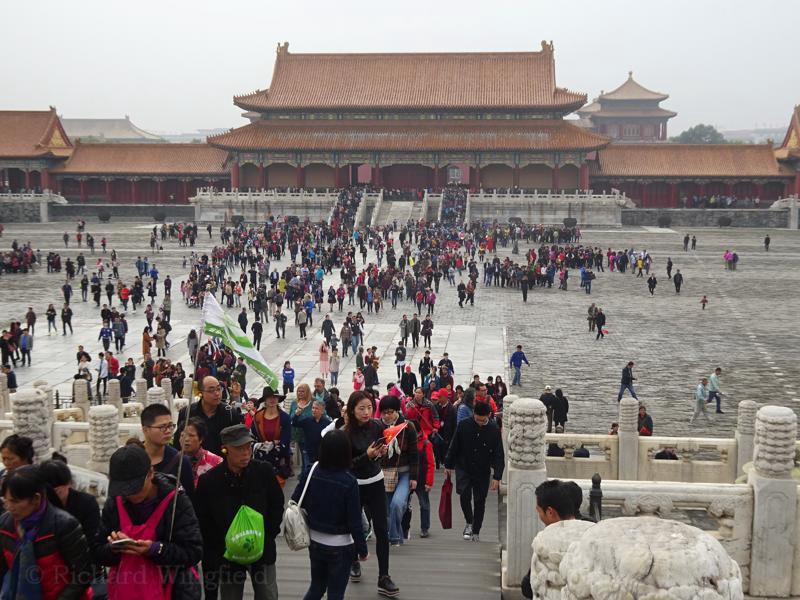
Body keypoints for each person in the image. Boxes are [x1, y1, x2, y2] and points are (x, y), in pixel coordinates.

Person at [97, 445, 203, 599]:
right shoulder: (116, 501)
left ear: (151, 473)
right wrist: (112, 548)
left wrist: (156, 549)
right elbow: (97, 551)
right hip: (127, 589)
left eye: (135, 488)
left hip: (171, 590)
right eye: (124, 489)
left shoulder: (175, 502)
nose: (131, 495)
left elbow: (193, 551)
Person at [194, 424, 285, 600]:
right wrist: (222, 546)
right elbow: (204, 519)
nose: (245, 453)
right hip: (228, 554)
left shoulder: (263, 471)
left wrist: (268, 534)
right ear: (225, 449)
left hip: (261, 547)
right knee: (230, 595)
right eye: (239, 448)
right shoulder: (209, 481)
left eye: (248, 447)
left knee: (268, 594)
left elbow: (276, 503)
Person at [291, 430, 368, 600]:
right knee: (335, 593)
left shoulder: (313, 470)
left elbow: (296, 499)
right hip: (340, 545)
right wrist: (362, 550)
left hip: (315, 540)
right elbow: (354, 521)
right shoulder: (349, 482)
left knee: (316, 587)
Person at [0, 466, 94, 600]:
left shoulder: (64, 525)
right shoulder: (5, 525)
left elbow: (83, 575)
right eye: (6, 501)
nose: (9, 507)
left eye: (15, 501)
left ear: (36, 499)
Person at [342, 391, 399, 597]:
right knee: (352, 526)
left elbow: (378, 453)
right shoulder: (345, 433)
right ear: (352, 409)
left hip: (375, 481)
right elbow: (346, 465)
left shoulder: (377, 426)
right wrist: (367, 455)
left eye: (368, 407)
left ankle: (384, 576)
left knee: (382, 529)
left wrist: (380, 453)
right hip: (354, 485)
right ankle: (354, 561)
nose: (366, 412)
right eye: (361, 408)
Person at [445, 401, 504, 543]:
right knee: (464, 494)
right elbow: (454, 445)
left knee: (479, 500)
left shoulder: (494, 429)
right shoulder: (464, 425)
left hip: (482, 470)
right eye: (477, 419)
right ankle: (469, 522)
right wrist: (448, 464)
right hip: (464, 466)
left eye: (483, 420)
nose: (479, 422)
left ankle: (476, 530)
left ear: (489, 416)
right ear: (473, 414)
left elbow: (498, 454)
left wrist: (497, 476)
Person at [379, 395, 418, 547]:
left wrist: (414, 477)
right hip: (386, 472)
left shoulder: (408, 427)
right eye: (384, 413)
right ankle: (397, 537)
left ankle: (394, 537)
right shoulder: (379, 427)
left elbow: (414, 454)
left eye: (390, 412)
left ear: (397, 411)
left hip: (405, 472)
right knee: (388, 508)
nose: (387, 416)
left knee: (397, 503)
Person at [174, 375, 243, 455]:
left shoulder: (230, 413)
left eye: (218, 389)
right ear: (201, 393)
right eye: (211, 390)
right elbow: (178, 443)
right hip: (194, 463)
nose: (217, 393)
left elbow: (238, 443)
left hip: (222, 463)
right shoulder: (187, 413)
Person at [140, 404, 195, 497]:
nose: (168, 431)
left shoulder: (181, 461)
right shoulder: (130, 458)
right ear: (145, 430)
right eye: (162, 427)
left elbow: (189, 499)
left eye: (170, 426)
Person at [251, 387, 293, 486]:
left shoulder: (285, 418)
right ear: (264, 399)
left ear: (278, 399)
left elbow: (286, 441)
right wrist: (259, 446)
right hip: (260, 460)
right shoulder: (257, 416)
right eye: (269, 397)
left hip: (278, 461)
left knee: (276, 493)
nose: (272, 399)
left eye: (275, 397)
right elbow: (252, 436)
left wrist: (274, 444)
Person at [292, 399, 333, 478]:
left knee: (320, 473)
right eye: (313, 408)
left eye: (316, 408)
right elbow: (294, 423)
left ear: (322, 411)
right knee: (308, 472)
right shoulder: (307, 420)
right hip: (308, 451)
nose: (314, 410)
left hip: (321, 453)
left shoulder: (327, 422)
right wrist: (297, 415)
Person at [179, 416, 223, 487]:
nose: (186, 439)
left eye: (191, 435)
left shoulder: (216, 462)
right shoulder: (173, 460)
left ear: (201, 439)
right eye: (182, 435)